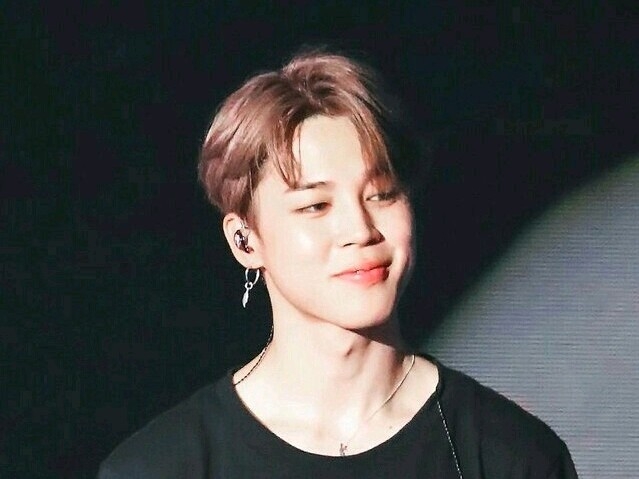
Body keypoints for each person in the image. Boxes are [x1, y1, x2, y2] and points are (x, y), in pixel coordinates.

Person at [98, 49, 578, 478]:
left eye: (381, 194)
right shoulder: (162, 467)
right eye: (316, 205)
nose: (360, 230)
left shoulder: (510, 456)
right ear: (245, 240)